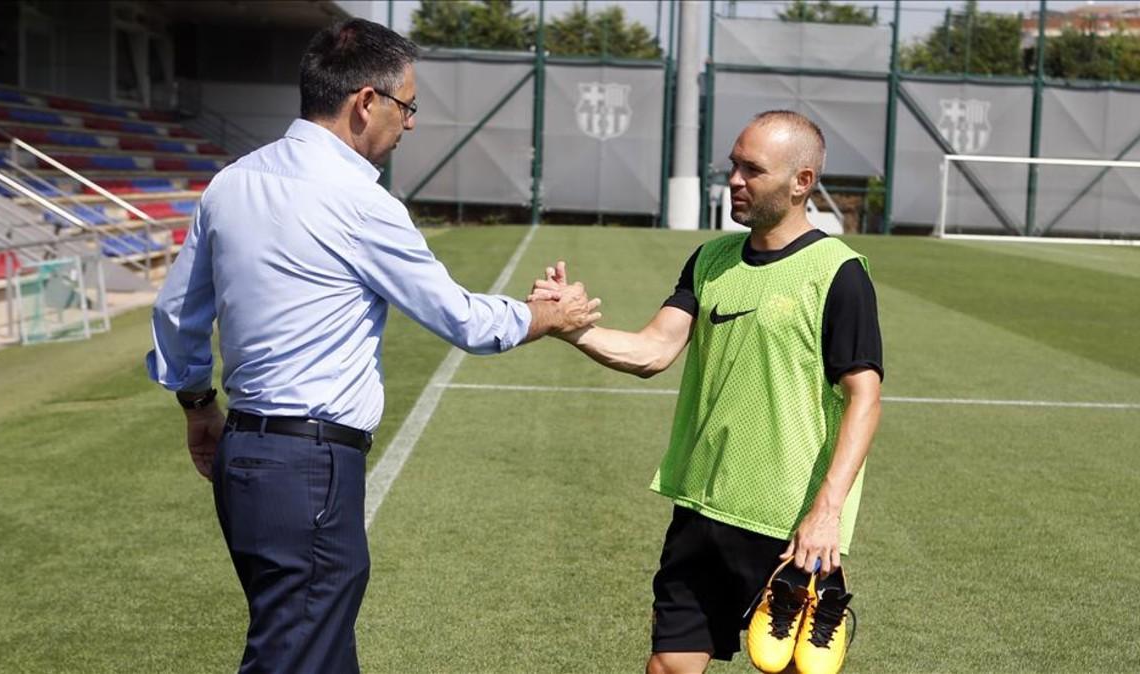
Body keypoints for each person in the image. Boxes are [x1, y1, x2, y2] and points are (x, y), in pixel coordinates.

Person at [146, 18, 599, 673]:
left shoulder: (232, 181)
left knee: (317, 648)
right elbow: (464, 320)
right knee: (296, 654)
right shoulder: (360, 201)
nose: (409, 123)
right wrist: (545, 315)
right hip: (311, 469)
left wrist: (197, 405)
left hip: (244, 459)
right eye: (407, 106)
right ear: (366, 102)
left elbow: (176, 313)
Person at [530, 111, 883, 674]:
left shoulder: (838, 273)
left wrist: (827, 513)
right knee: (669, 664)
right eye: (733, 166)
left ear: (802, 181)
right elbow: (653, 350)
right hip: (701, 504)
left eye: (753, 170)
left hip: (788, 522)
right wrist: (569, 327)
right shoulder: (711, 259)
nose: (735, 181)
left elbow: (865, 397)